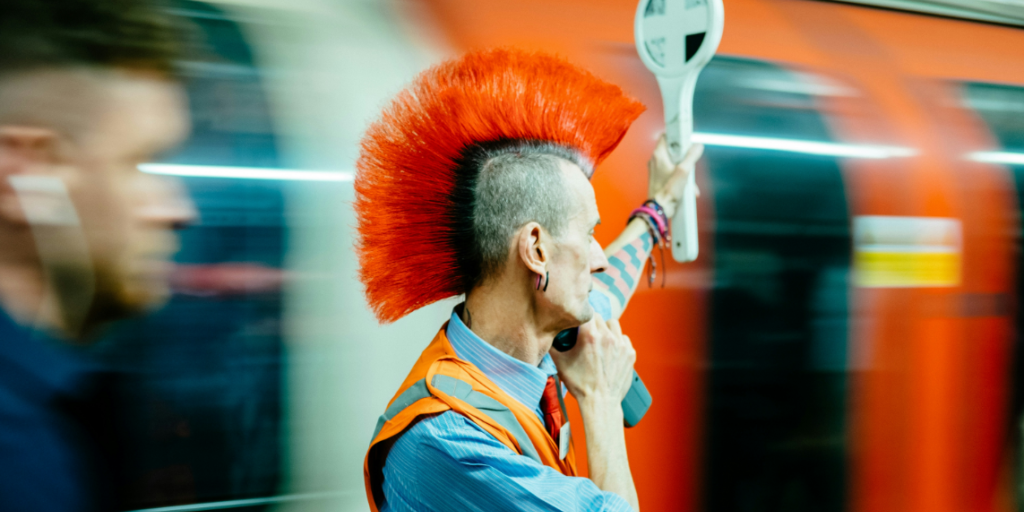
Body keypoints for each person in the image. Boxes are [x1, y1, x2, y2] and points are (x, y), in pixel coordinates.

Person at [357, 48, 703, 511]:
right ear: (537, 251)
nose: (599, 259)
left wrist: (657, 210)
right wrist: (600, 400)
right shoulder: (447, 442)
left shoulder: (539, 338)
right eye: (590, 234)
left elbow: (608, 289)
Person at [0, 1, 194, 510]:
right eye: (142, 162)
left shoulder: (49, 402)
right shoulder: (17, 454)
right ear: (26, 176)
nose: (180, 210)